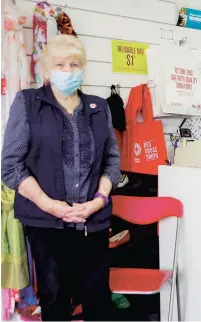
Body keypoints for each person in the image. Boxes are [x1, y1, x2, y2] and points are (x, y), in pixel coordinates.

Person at [1, 35, 121, 321]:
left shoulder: (99, 107)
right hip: (46, 224)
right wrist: (50, 205)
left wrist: (99, 200)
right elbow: (11, 166)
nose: (68, 70)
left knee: (97, 296)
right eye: (60, 64)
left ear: (83, 68)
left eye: (74, 64)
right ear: (46, 69)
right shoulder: (28, 103)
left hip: (92, 221)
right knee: (54, 297)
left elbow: (113, 161)